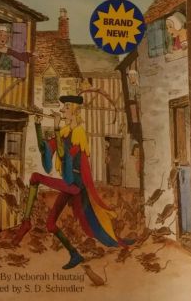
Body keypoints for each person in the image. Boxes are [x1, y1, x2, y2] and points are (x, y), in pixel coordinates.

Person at [10, 94, 130, 268]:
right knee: (50, 224)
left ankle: (26, 222)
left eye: (66, 107)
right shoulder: (65, 132)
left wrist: (56, 128)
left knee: (35, 177)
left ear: (74, 110)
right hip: (69, 184)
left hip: (75, 183)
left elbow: (63, 155)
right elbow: (45, 149)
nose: (62, 110)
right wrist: (37, 125)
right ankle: (75, 255)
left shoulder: (79, 133)